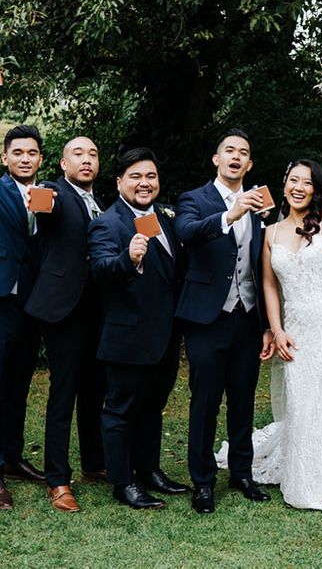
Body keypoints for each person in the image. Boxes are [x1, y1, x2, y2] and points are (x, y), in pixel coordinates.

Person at [260, 98, 322, 511]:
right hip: (297, 328)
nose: (299, 187)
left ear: (316, 189)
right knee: (303, 402)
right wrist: (278, 328)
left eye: (307, 182)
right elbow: (270, 287)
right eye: (293, 180)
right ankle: (304, 481)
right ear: (285, 184)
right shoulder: (269, 233)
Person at [175, 129, 271, 515]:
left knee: (243, 399)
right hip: (206, 318)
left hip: (247, 317)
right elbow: (186, 232)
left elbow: (265, 261)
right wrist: (230, 214)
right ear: (216, 159)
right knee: (205, 401)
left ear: (249, 164)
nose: (235, 157)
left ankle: (242, 473)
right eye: (229, 150)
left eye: (243, 153)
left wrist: (266, 323)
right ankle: (202, 481)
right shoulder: (194, 199)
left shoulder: (263, 205)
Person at [88, 147, 188, 510]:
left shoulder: (166, 217)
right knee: (120, 410)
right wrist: (126, 259)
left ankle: (149, 470)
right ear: (119, 183)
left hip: (164, 336)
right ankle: (122, 481)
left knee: (152, 407)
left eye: (150, 176)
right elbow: (99, 270)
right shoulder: (107, 223)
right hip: (127, 336)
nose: (144, 183)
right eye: (135, 176)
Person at [26, 137, 108, 512]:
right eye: (78, 153)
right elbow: (43, 206)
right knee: (64, 393)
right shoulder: (53, 192)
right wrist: (40, 195)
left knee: (94, 390)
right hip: (63, 311)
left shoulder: (100, 203)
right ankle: (57, 479)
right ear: (62, 163)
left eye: (92, 154)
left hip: (99, 312)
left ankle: (94, 464)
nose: (86, 159)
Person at [0, 125, 45, 510]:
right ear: (5, 157)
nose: (25, 159)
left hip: (33, 304)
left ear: (40, 159)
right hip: (1, 298)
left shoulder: (47, 196)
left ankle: (12, 457)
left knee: (18, 385)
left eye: (32, 153)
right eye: (18, 153)